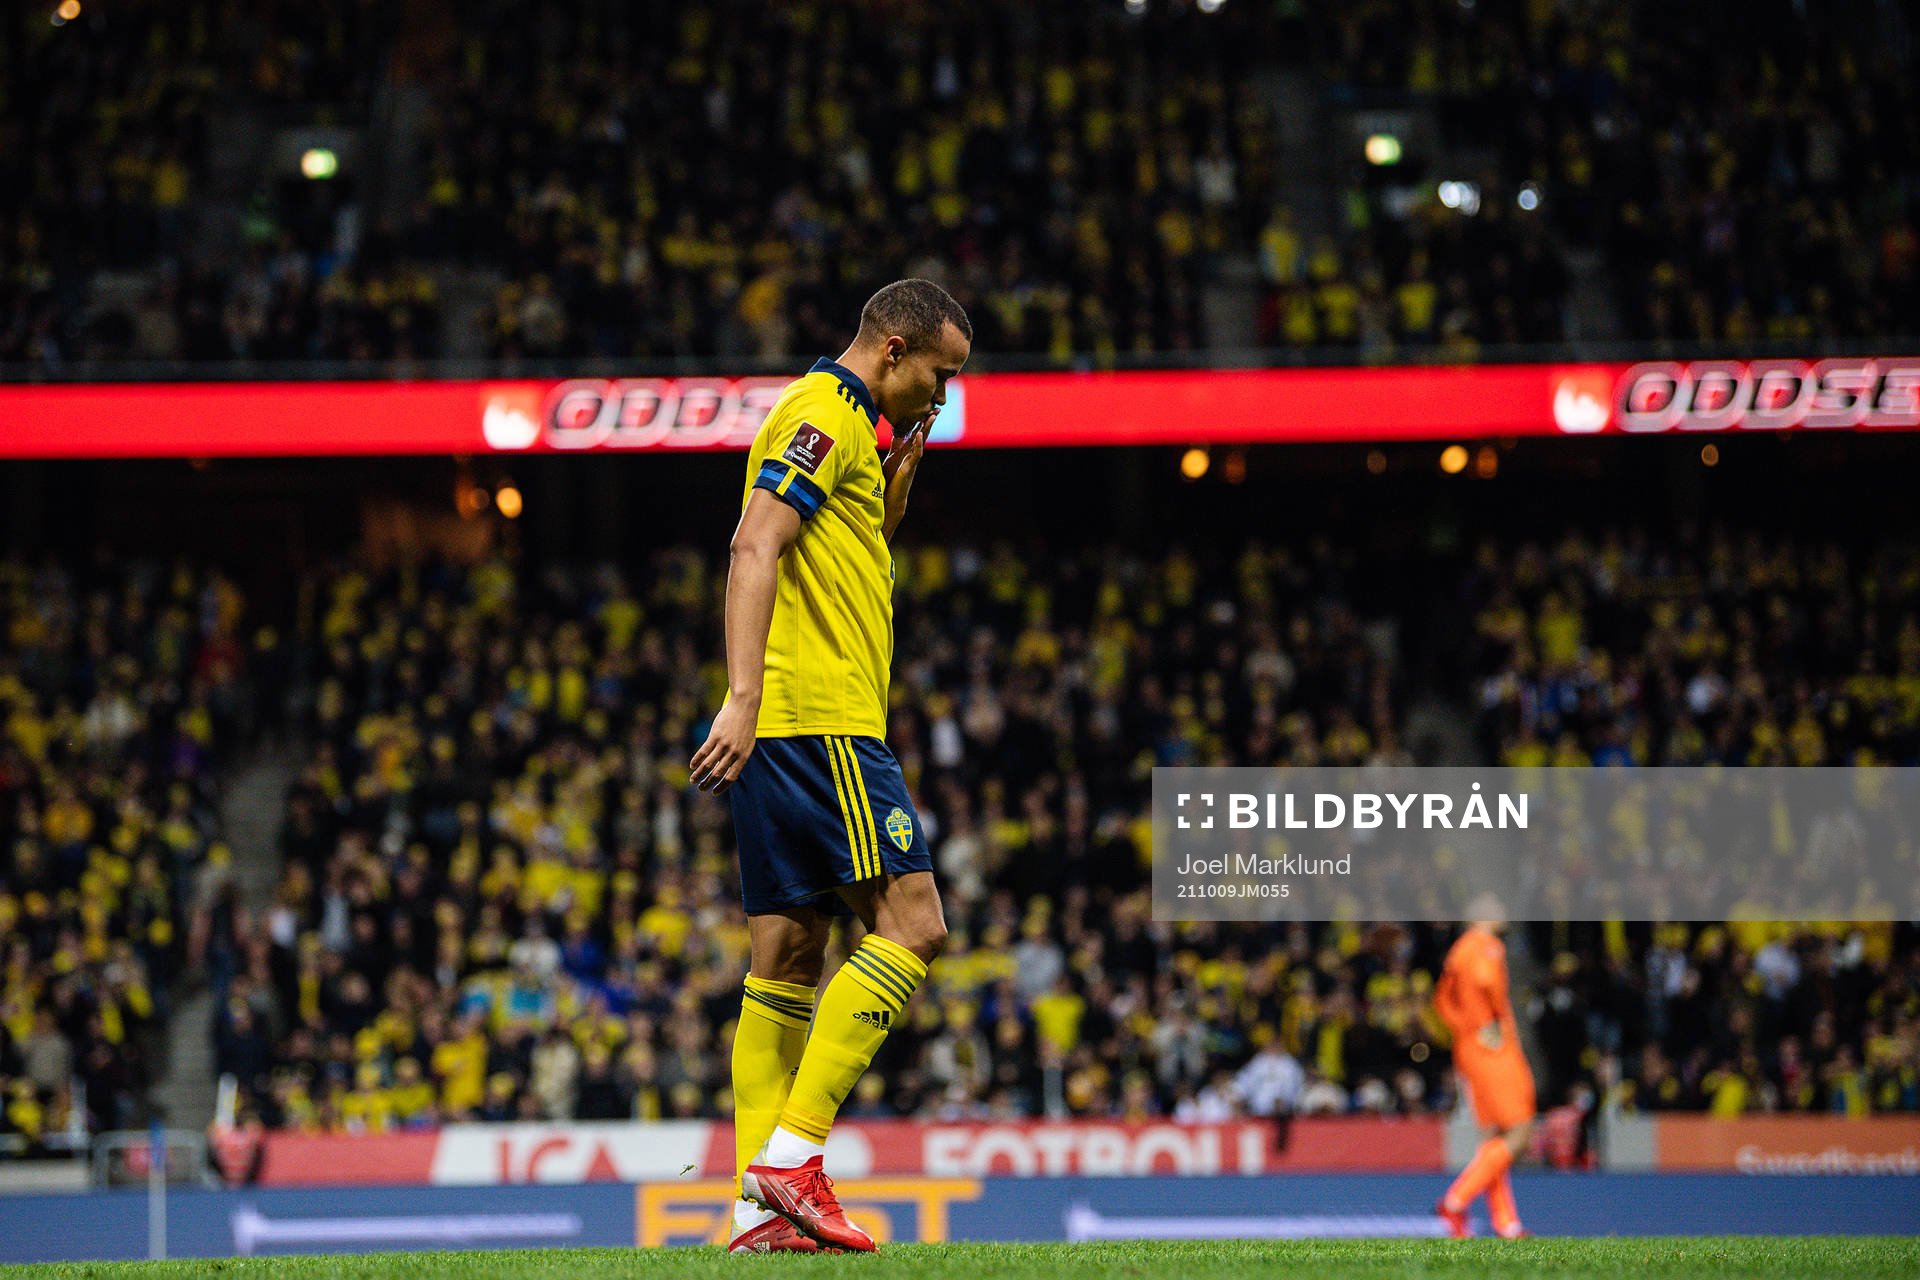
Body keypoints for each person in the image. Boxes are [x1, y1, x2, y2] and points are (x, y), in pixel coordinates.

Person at [689, 279, 973, 1254]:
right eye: (940, 373)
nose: (943, 393)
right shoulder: (820, 414)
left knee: (786, 962)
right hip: (822, 723)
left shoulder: (860, 430)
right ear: (894, 348)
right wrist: (740, 695)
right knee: (915, 921)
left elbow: (845, 547)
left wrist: (901, 477)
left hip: (794, 728)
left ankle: (751, 1213)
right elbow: (753, 546)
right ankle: (793, 1157)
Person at [1433, 895, 1536, 1239]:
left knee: (1493, 1138)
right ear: (1483, 915)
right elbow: (1485, 981)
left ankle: (1507, 1224)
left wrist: (1463, 1030)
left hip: (1471, 1047)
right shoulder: (1486, 946)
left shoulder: (1458, 950)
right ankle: (1456, 1200)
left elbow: (1441, 1000)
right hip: (1491, 1047)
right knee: (1520, 1131)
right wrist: (1487, 1025)